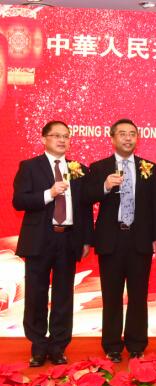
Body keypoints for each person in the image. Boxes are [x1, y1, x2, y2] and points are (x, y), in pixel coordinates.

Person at [12, 121, 93, 367]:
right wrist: (50, 193)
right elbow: (19, 200)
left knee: (64, 295)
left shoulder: (79, 169)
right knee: (36, 294)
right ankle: (38, 346)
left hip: (68, 238)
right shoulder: (30, 166)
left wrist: (86, 239)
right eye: (56, 135)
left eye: (66, 136)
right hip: (39, 239)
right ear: (44, 139)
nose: (62, 140)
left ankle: (58, 346)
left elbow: (85, 207)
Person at [85, 118, 156, 362]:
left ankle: (137, 343)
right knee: (111, 295)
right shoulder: (99, 167)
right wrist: (105, 186)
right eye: (122, 133)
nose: (128, 138)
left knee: (139, 295)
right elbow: (86, 197)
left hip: (139, 238)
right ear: (112, 138)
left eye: (132, 133)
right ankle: (112, 345)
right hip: (111, 239)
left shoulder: (149, 167)